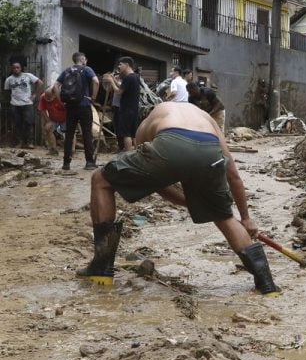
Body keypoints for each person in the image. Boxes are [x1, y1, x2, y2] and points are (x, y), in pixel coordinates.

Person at [78, 103, 279, 295]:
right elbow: (232, 173)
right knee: (224, 216)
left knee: (101, 180)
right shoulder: (205, 118)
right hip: (209, 148)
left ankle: (101, 269)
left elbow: (158, 183)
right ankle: (266, 284)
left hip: (170, 142)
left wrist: (190, 202)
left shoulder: (147, 124)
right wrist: (245, 218)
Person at [55, 52, 99, 171]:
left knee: (69, 134)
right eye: (85, 59)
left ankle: (66, 163)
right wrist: (93, 97)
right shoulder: (87, 69)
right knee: (86, 133)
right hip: (84, 105)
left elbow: (55, 86)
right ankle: (89, 162)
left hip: (70, 106)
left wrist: (62, 101)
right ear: (83, 59)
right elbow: (96, 81)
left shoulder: (67, 71)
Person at [102, 57, 141, 150]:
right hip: (134, 109)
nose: (119, 66)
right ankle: (136, 154)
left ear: (127, 65)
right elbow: (122, 87)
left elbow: (119, 91)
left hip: (126, 109)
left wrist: (111, 81)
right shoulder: (135, 76)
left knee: (126, 134)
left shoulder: (128, 77)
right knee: (133, 134)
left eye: (120, 64)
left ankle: (127, 155)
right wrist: (114, 80)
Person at [4, 61, 42, 148]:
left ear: (21, 68)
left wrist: (34, 95)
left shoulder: (27, 76)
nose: (16, 69)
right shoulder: (9, 79)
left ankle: (29, 142)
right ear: (12, 69)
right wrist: (11, 99)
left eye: (18, 67)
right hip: (14, 104)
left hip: (27, 103)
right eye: (14, 68)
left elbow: (39, 83)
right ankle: (20, 142)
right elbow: (6, 91)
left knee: (29, 122)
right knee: (17, 123)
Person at [38, 86, 66, 155]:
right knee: (48, 128)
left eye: (49, 96)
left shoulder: (62, 97)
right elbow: (42, 110)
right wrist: (48, 121)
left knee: (70, 132)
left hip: (65, 118)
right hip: (53, 118)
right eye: (46, 96)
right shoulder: (43, 97)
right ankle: (53, 149)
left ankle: (71, 150)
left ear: (55, 94)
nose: (47, 98)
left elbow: (69, 109)